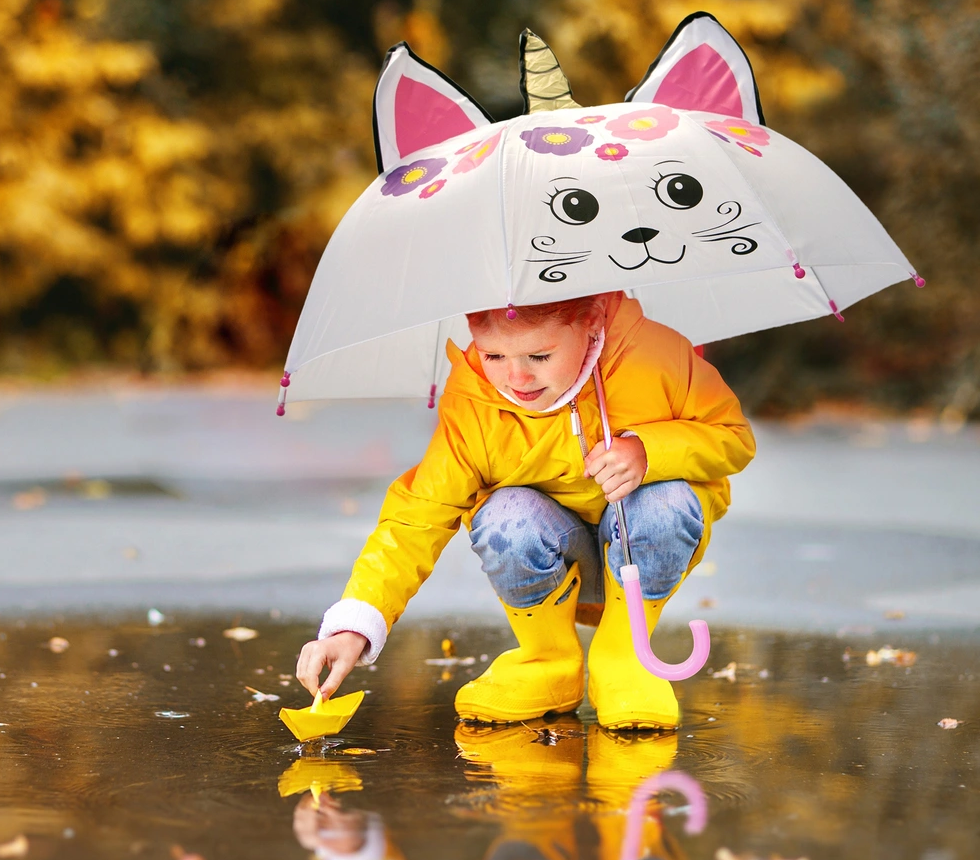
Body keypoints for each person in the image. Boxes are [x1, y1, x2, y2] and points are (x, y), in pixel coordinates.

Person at [295, 291, 755, 728]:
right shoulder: (475, 400)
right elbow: (418, 514)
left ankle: (625, 658)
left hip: (643, 550)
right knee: (503, 516)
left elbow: (733, 438)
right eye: (494, 356)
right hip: (553, 560)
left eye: (539, 357)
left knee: (666, 502)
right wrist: (352, 628)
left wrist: (648, 452)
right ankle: (547, 662)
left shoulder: (656, 356)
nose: (516, 379)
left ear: (591, 323)